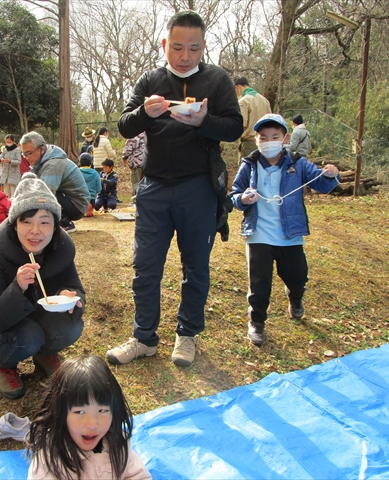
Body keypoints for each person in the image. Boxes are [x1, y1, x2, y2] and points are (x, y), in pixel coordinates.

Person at [108, 10, 243, 367]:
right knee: (146, 266)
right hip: (153, 187)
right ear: (165, 44)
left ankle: (187, 335)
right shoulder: (150, 79)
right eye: (179, 47)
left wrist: (203, 121)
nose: (186, 56)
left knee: (195, 265)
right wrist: (144, 115)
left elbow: (233, 127)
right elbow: (123, 125)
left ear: (203, 47)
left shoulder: (217, 80)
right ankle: (143, 338)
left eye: (194, 49)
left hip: (197, 187)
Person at [230, 113, 339, 346]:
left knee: (297, 277)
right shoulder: (249, 165)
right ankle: (257, 322)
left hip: (290, 236)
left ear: (285, 138)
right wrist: (243, 199)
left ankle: (296, 297)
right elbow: (233, 195)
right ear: (257, 139)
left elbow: (320, 183)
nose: (268, 141)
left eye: (274, 136)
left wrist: (331, 175)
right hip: (258, 234)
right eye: (263, 137)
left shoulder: (297, 163)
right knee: (259, 285)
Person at [0, 173, 85, 399]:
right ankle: (4, 364)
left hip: (36, 319)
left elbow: (76, 288)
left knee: (71, 327)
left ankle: (45, 354)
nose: (36, 231)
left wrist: (70, 296)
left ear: (55, 226)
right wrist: (18, 287)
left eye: (45, 222)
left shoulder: (61, 251)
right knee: (29, 337)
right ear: (14, 225)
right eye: (27, 221)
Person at [26, 356, 151, 480]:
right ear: (60, 413)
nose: (92, 424)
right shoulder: (49, 458)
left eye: (102, 410)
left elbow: (137, 475)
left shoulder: (117, 442)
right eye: (80, 412)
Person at [19, 131, 90, 234]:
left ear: (41, 149)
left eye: (29, 153)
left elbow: (44, 193)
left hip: (77, 206)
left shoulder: (53, 164)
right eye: (24, 154)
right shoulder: (44, 161)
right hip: (69, 200)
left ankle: (65, 222)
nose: (26, 157)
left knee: (44, 193)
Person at [234, 77, 272, 161]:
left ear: (238, 87)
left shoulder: (243, 101)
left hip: (250, 143)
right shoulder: (264, 100)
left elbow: (241, 124)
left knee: (248, 170)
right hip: (266, 141)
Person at [121, 132, 145, 197]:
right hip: (146, 163)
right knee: (145, 183)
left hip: (136, 163)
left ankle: (136, 199)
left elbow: (128, 149)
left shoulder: (133, 136)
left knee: (135, 182)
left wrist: (124, 157)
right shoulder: (147, 135)